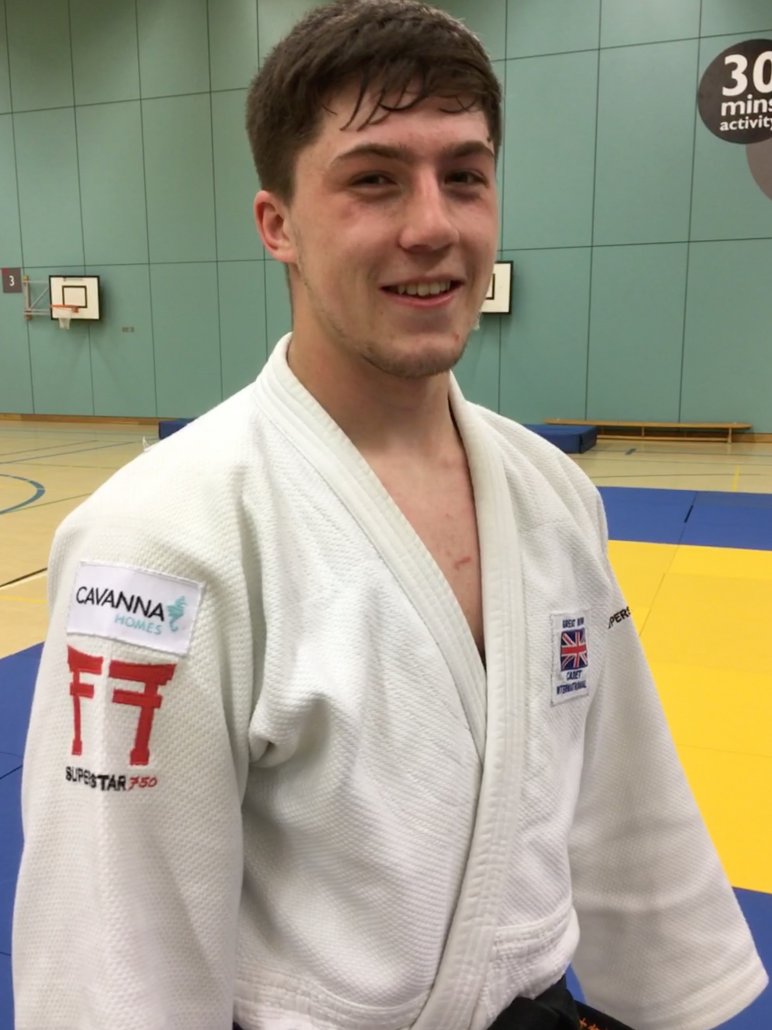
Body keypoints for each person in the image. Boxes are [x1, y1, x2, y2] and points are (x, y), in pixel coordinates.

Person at [12, 2, 768, 1028]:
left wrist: (673, 996)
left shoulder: (552, 495)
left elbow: (623, 799)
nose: (433, 224)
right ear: (277, 224)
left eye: (465, 175)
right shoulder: (162, 543)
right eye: (374, 179)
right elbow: (116, 944)